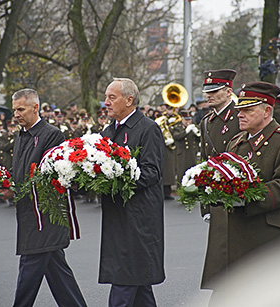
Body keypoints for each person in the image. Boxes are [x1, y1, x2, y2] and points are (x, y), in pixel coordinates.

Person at [201, 82, 280, 300]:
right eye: (239, 110)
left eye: (248, 110)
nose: (240, 115)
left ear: (267, 111)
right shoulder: (236, 142)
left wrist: (244, 197)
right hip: (236, 238)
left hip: (269, 238)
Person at [0, 89, 86, 307]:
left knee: (28, 273)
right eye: (14, 109)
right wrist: (3, 180)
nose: (16, 114)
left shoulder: (52, 134)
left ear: (35, 107)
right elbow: (21, 168)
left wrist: (16, 189)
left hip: (44, 217)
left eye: (21, 109)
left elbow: (48, 176)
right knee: (59, 276)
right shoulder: (21, 134)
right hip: (29, 214)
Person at [100, 78, 165, 306]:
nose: (105, 103)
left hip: (138, 220)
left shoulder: (148, 128)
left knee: (125, 282)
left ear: (129, 100)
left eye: (112, 97)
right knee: (139, 287)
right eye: (106, 97)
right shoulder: (109, 131)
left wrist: (115, 177)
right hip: (118, 218)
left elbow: (152, 172)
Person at [199, 69, 240, 221]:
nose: (209, 95)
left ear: (229, 91)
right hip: (216, 195)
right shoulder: (205, 122)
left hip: (237, 194)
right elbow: (205, 164)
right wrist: (206, 206)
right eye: (207, 91)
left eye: (215, 91)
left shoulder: (240, 117)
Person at [171, 110, 200, 184]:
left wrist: (197, 133)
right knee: (181, 173)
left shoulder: (194, 126)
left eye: (189, 119)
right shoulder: (177, 127)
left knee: (193, 174)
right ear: (182, 119)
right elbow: (176, 136)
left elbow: (200, 138)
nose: (188, 122)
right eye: (186, 120)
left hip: (192, 153)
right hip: (182, 154)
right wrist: (186, 131)